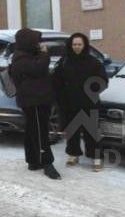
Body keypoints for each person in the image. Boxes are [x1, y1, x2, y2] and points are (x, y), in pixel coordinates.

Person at [8, 28, 60, 179]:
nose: (39, 44)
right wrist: (44, 54)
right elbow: (38, 68)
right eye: (36, 41)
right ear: (28, 42)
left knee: (32, 130)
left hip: (37, 99)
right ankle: (47, 163)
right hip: (34, 101)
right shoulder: (21, 58)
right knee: (40, 131)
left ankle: (33, 160)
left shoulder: (26, 55)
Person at [54, 31, 107, 171]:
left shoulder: (93, 62)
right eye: (74, 44)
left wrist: (91, 90)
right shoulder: (64, 61)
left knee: (92, 131)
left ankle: (96, 158)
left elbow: (102, 80)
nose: (77, 47)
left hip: (89, 102)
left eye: (79, 44)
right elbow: (57, 80)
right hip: (69, 102)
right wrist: (60, 94)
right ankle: (73, 154)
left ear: (85, 45)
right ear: (70, 45)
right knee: (72, 130)